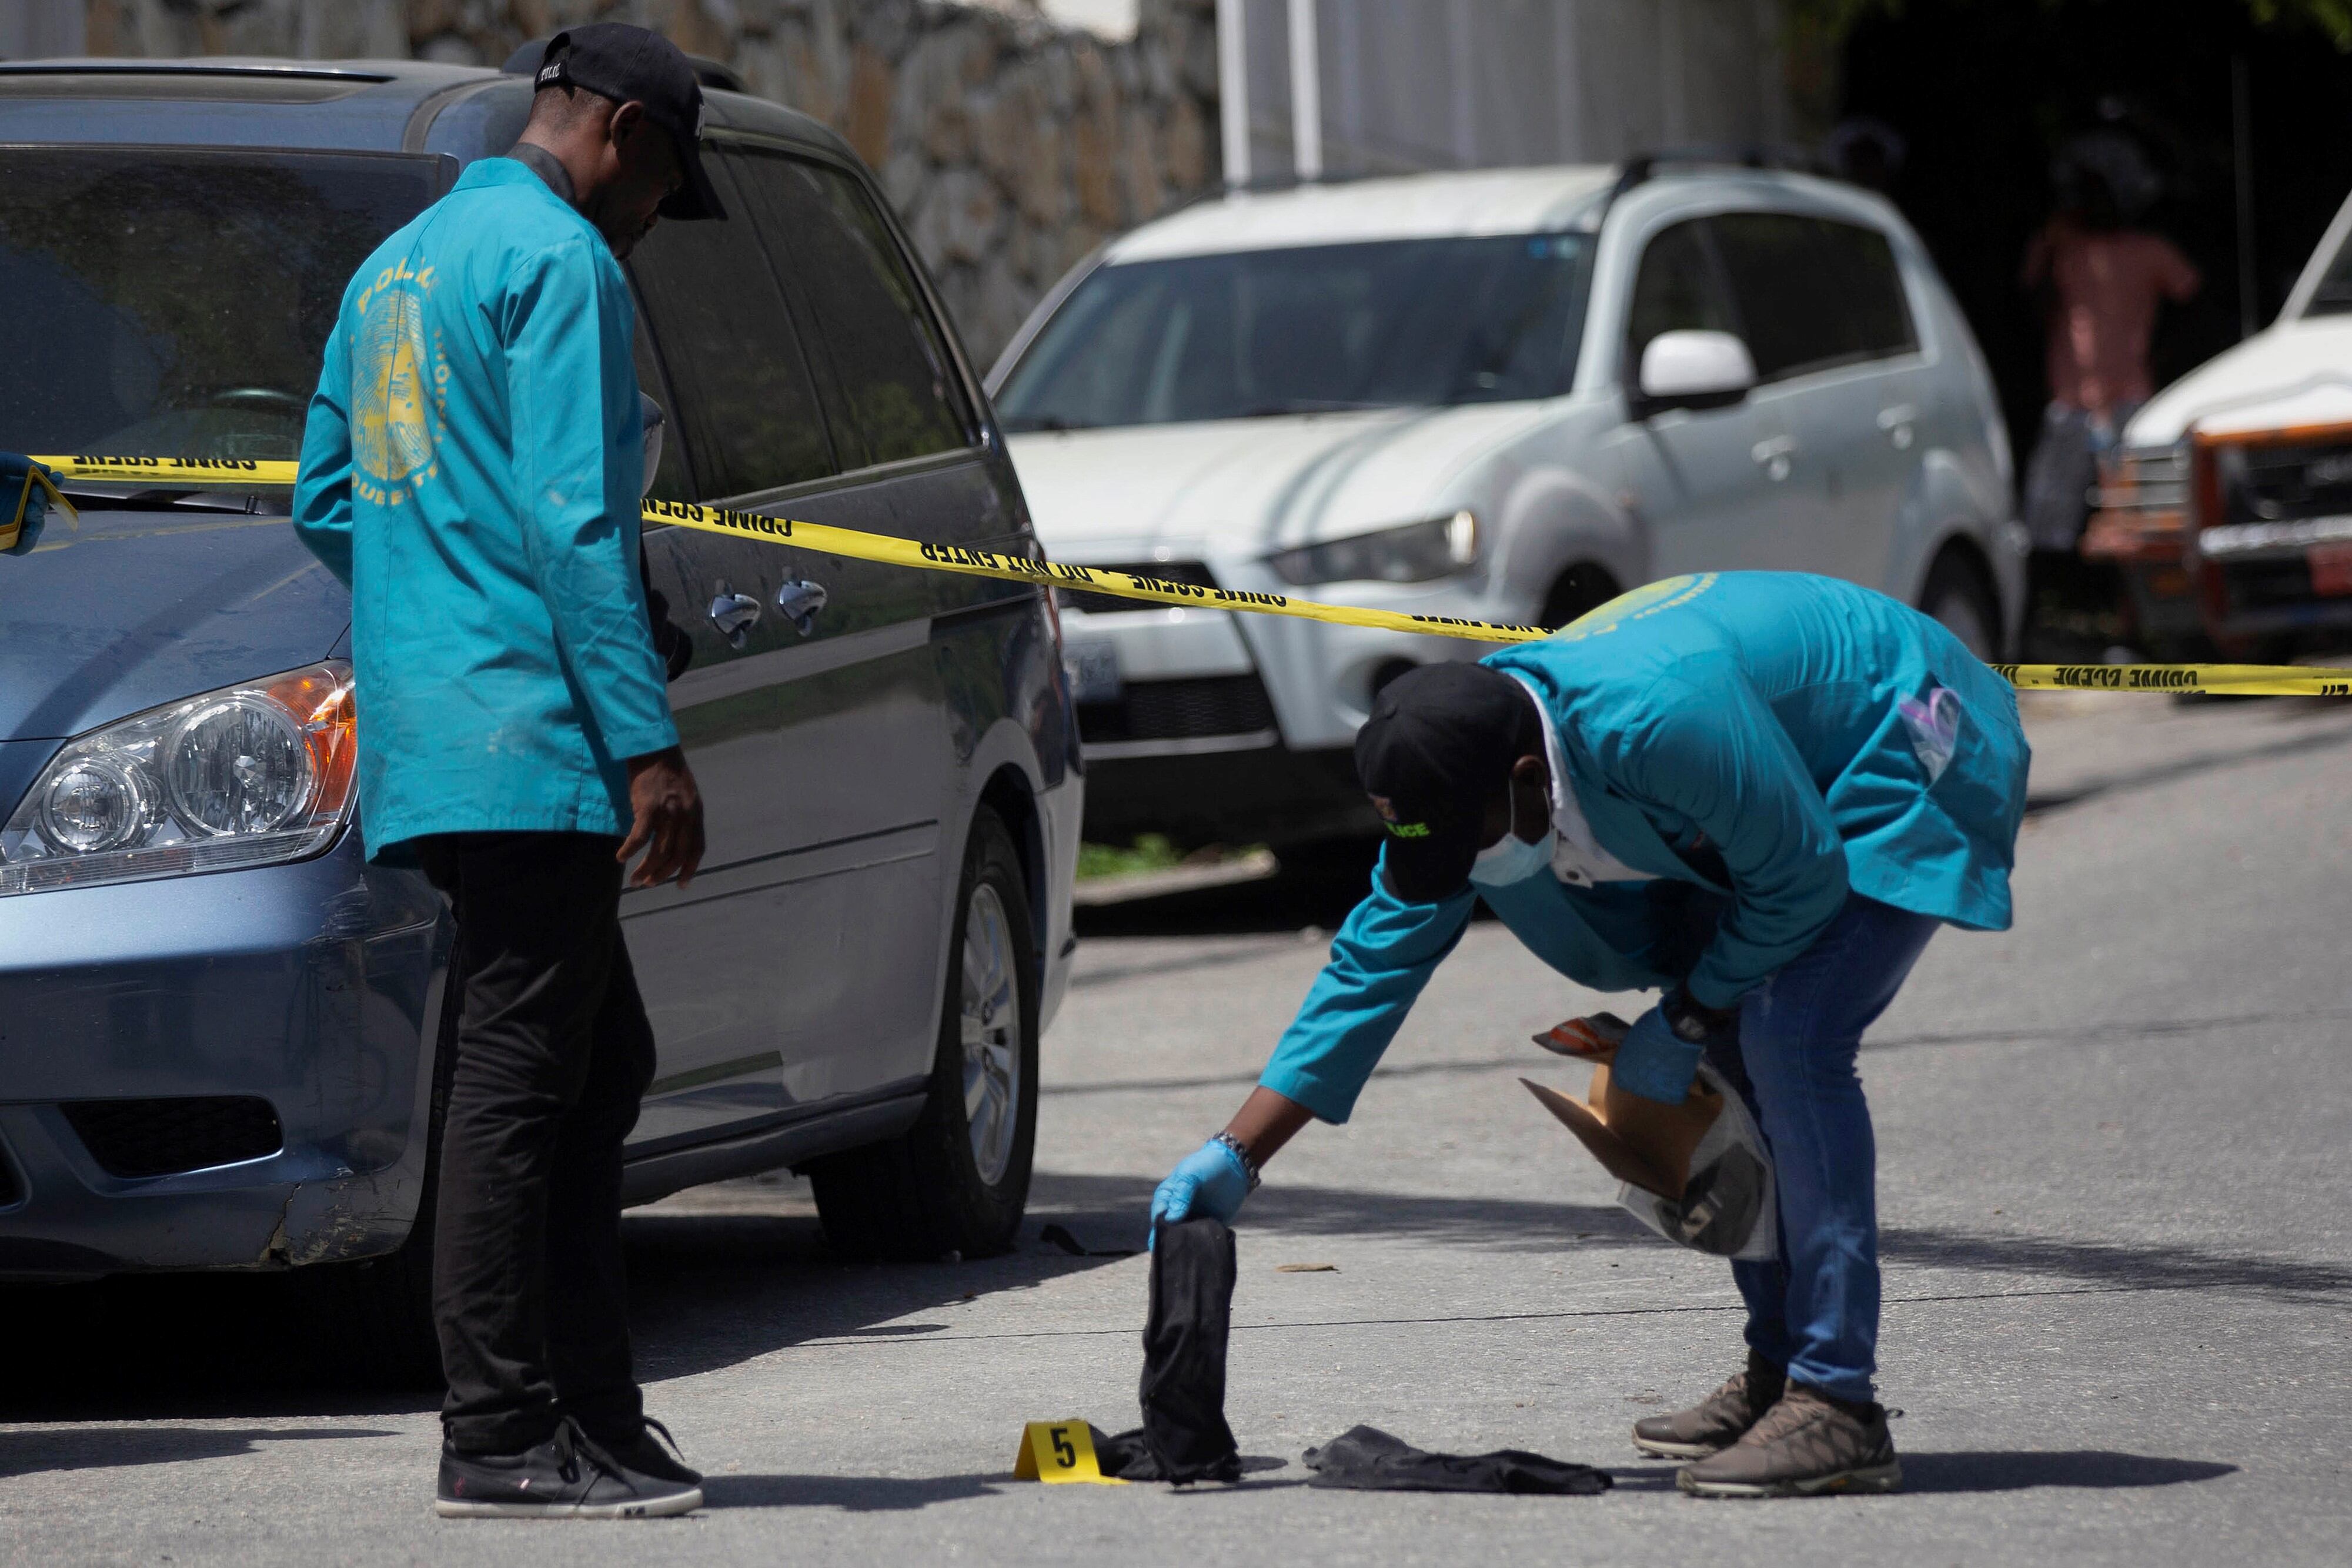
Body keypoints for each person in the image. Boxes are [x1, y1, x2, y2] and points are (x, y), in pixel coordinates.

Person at [1150, 572, 2029, 1499]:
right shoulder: (1459, 767)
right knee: (1726, 1055)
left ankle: (1838, 1403)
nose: (1467, 873)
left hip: (1906, 725)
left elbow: (1802, 878)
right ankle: (1779, 1370)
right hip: (1775, 783)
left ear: (1531, 780)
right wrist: (1235, 1154)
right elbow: (1370, 967)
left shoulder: (1655, 726)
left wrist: (1688, 1010)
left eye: (1473, 843)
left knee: (1788, 1034)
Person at [292, 22, 724, 1520]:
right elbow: (578, 527)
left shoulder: (396, 266)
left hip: (437, 724)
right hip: (536, 731)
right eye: (667, 176)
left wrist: (434, 602)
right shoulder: (562, 265)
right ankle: (494, 1432)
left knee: (598, 1066)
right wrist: (647, 745)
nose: (659, 213)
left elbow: (328, 496)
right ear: (615, 130)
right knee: (519, 1081)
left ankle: (597, 1413)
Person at [2020, 132, 2200, 644]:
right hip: (2070, 402)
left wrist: (2162, 359)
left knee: (2141, 519)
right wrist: (2051, 247)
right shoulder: (2060, 251)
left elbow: (2194, 305)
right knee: (2047, 519)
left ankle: (2135, 627)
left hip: (2132, 403)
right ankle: (2041, 625)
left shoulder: (2151, 252)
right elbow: (2028, 308)